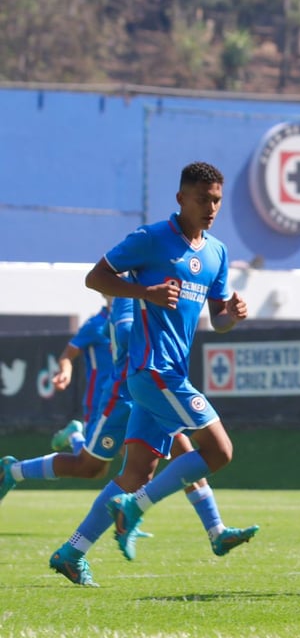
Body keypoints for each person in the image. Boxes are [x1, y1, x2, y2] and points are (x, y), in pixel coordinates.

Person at [0, 296, 258, 585]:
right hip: (121, 397)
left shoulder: (157, 291)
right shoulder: (124, 301)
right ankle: (18, 470)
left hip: (149, 390)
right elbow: (112, 336)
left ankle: (213, 530)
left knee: (172, 456)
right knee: (91, 467)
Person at [82, 161, 253, 564]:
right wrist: (146, 292)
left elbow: (219, 320)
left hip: (168, 374)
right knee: (220, 452)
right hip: (153, 371)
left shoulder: (217, 252)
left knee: (136, 472)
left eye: (216, 201)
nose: (210, 208)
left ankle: (72, 552)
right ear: (180, 199)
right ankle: (136, 507)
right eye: (202, 199)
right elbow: (95, 278)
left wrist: (234, 314)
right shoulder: (152, 238)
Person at [49, 298, 115, 454]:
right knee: (90, 460)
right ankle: (74, 435)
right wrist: (65, 371)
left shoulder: (137, 322)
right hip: (99, 400)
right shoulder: (95, 325)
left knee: (131, 454)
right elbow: (67, 355)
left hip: (128, 398)